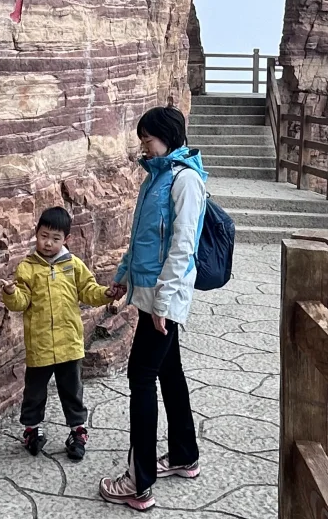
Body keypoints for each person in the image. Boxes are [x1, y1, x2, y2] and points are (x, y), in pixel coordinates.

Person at [99, 105, 206, 511]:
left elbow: (183, 248)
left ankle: (138, 482)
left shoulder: (186, 181)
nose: (142, 144)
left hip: (165, 298)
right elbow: (139, 235)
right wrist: (123, 275)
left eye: (147, 137)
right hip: (148, 294)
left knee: (140, 378)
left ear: (168, 137)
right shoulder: (156, 178)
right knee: (169, 372)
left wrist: (162, 303)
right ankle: (183, 455)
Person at [0, 205, 115, 462]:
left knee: (72, 389)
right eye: (43, 236)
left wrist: (105, 294)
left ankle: (77, 431)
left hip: (69, 344)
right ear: (36, 233)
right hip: (40, 344)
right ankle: (32, 430)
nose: (48, 243)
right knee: (34, 392)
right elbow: (21, 302)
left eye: (55, 238)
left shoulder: (73, 265)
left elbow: (88, 290)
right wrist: (10, 293)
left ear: (66, 239)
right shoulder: (27, 268)